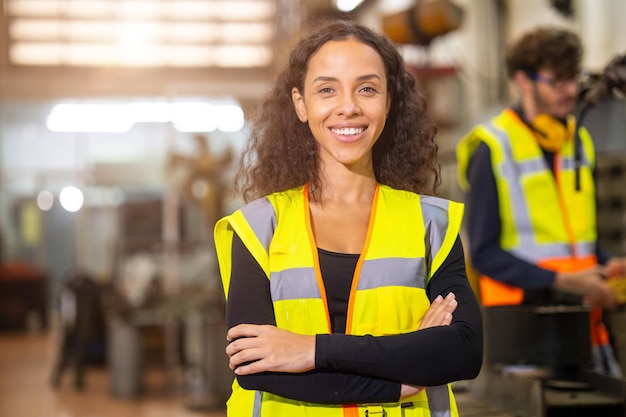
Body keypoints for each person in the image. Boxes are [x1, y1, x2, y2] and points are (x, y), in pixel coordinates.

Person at [213, 19, 483, 417]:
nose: (348, 106)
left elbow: (462, 352)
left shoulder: (431, 224)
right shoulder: (258, 228)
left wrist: (309, 349)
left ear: (388, 102)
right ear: (301, 105)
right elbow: (257, 369)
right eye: (327, 89)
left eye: (367, 88)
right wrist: (403, 376)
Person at [456, 26, 626, 377]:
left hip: (583, 327)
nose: (570, 91)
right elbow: (485, 255)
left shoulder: (578, 142)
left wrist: (607, 266)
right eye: (556, 81)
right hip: (524, 337)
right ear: (522, 80)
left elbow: (579, 239)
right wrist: (566, 281)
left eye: (573, 78)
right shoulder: (493, 148)